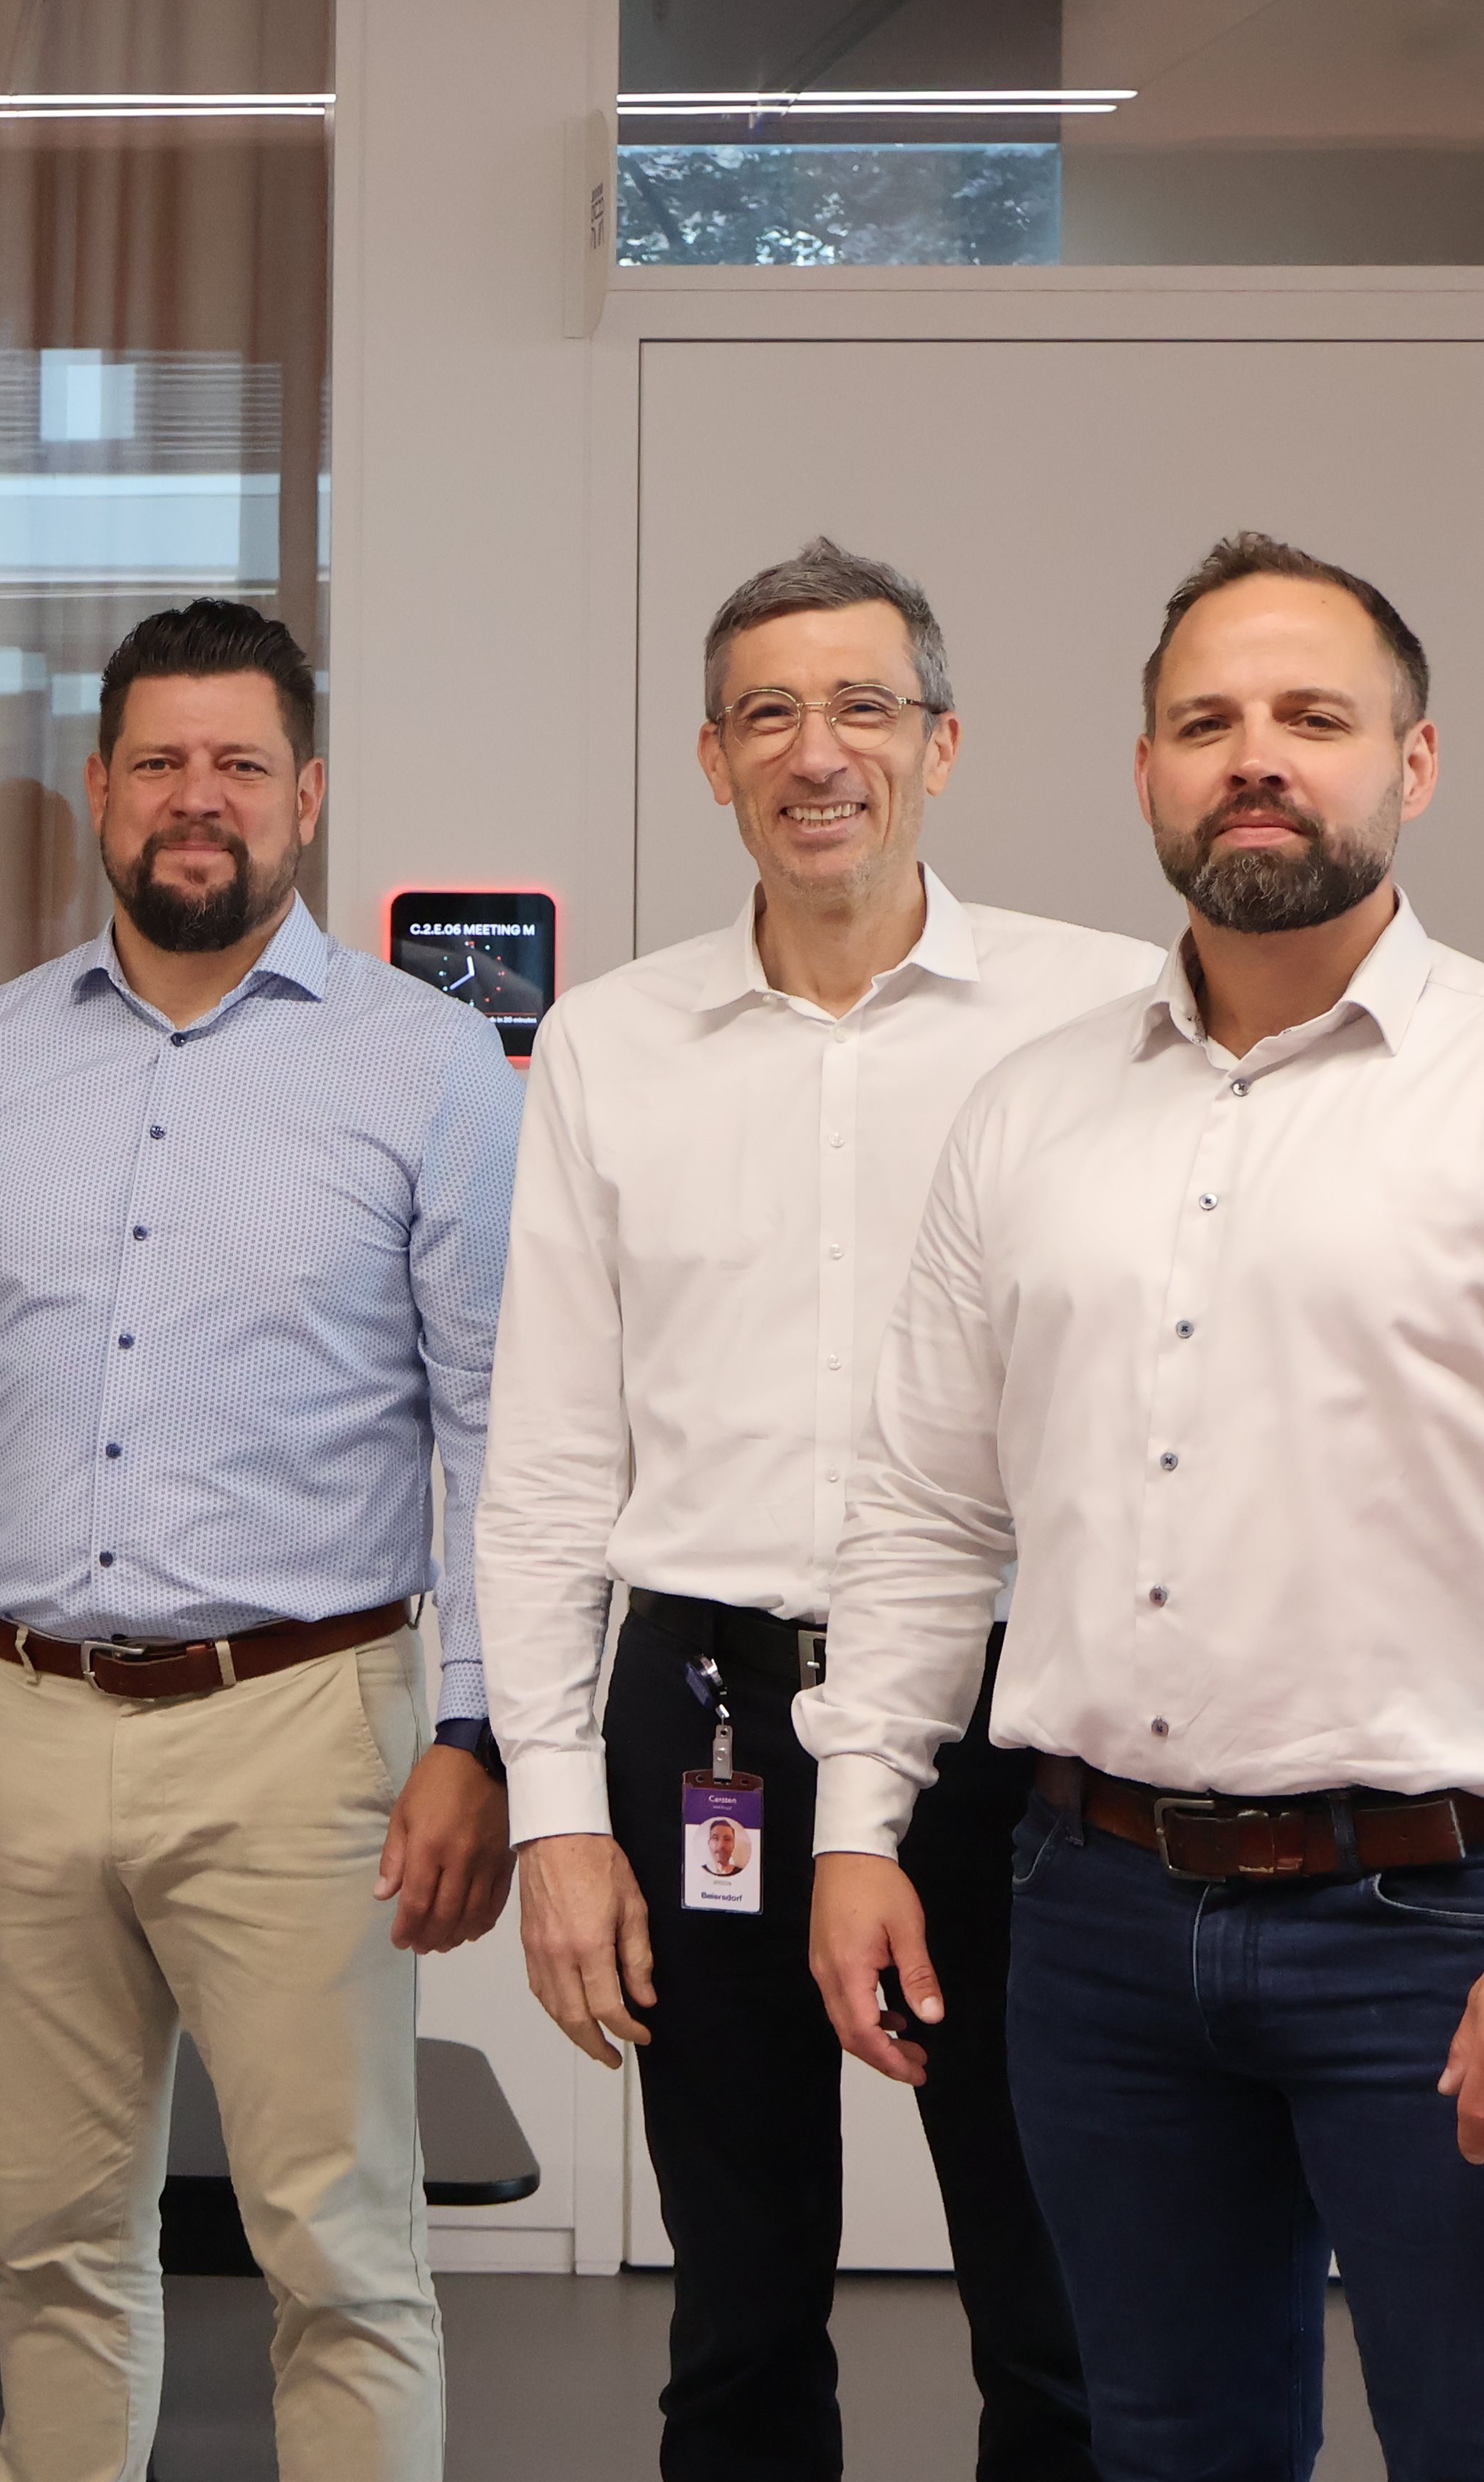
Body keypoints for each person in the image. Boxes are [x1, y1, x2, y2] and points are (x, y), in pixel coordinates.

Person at [807, 536, 1484, 2481]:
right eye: (1207, 721)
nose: (1259, 758)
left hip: (1459, 1922)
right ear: (1145, 770)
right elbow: (916, 1506)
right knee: (1160, 2448)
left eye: (1314, 718)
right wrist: (856, 1823)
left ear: (1414, 764)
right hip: (1098, 1925)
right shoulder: (1031, 1115)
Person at [0, 595, 516, 2482]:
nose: (195, 802)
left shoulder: (431, 1073)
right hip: (9, 1724)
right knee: (50, 2243)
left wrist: (475, 1734)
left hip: (307, 1733)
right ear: (100, 793)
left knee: (341, 2254)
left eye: (237, 765)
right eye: (157, 765)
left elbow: (501, 1435)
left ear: (305, 795)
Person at [477, 543, 1142, 2482]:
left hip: (1019, 1716)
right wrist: (553, 1817)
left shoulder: (1101, 1014)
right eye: (769, 712)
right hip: (707, 1718)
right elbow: (549, 1462)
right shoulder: (611, 1040)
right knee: (741, 2302)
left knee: (1058, 2294)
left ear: (944, 744)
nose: (816, 750)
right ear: (711, 759)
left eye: (862, 706)